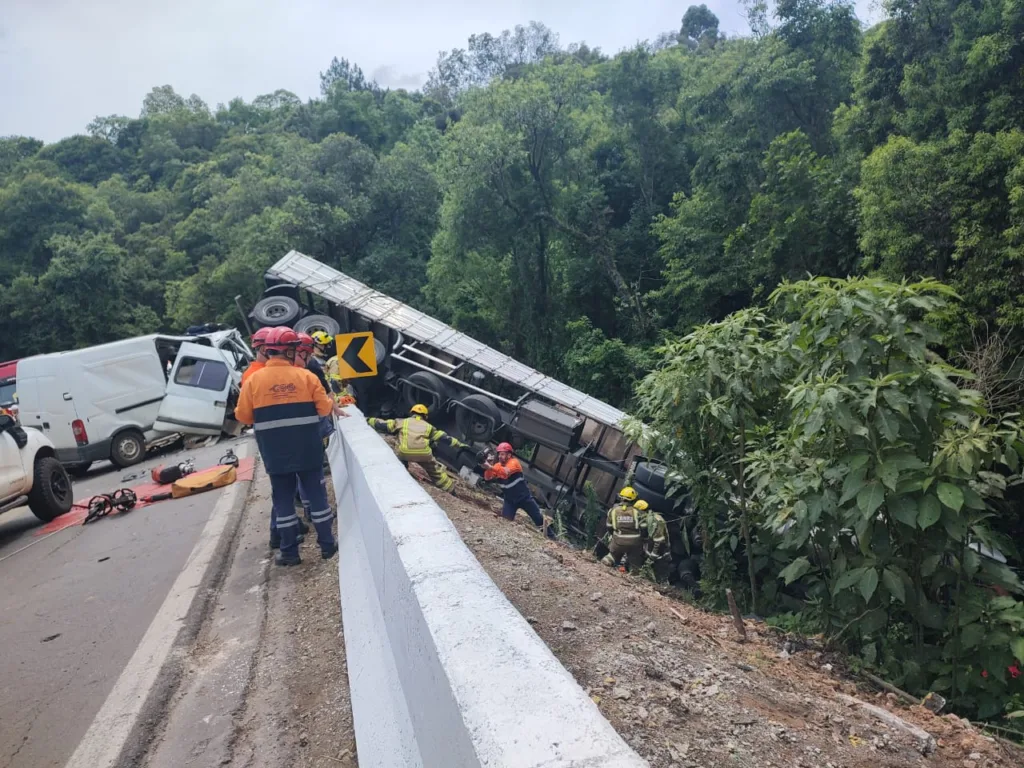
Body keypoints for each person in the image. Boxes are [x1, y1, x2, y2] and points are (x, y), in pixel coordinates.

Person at [234, 326, 347, 566]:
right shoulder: (306, 377)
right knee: (317, 495)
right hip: (307, 448)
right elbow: (325, 409)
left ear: (268, 350)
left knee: (283, 499)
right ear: (292, 351)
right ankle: (327, 545)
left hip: (275, 453)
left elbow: (243, 417)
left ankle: (289, 552)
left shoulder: (253, 380)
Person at [367, 404, 466, 493]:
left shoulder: (402, 422)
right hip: (423, 454)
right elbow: (444, 438)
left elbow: (382, 424)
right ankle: (450, 490)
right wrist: (460, 445)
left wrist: (368, 420)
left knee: (400, 457)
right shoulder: (428, 427)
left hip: (405, 452)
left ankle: (402, 471)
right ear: (425, 416)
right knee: (435, 472)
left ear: (412, 413)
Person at [483, 442, 549, 534]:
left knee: (538, 518)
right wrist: (488, 467)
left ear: (509, 455)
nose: (499, 456)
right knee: (506, 521)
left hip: (524, 498)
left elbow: (505, 473)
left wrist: (490, 467)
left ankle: (551, 537)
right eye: (499, 454)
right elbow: (487, 477)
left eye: (502, 454)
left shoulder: (514, 462)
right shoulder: (497, 466)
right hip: (510, 500)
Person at [601, 491, 646, 571]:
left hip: (618, 541)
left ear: (621, 498)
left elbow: (609, 526)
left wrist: (614, 536)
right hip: (634, 543)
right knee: (635, 563)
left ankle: (606, 563)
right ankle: (632, 570)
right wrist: (643, 539)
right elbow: (643, 528)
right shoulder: (638, 512)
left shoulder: (613, 510)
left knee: (612, 555)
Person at [639, 503, 672, 581]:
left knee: (660, 572)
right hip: (652, 548)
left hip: (660, 550)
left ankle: (663, 585)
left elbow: (659, 541)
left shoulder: (656, 521)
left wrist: (653, 555)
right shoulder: (647, 519)